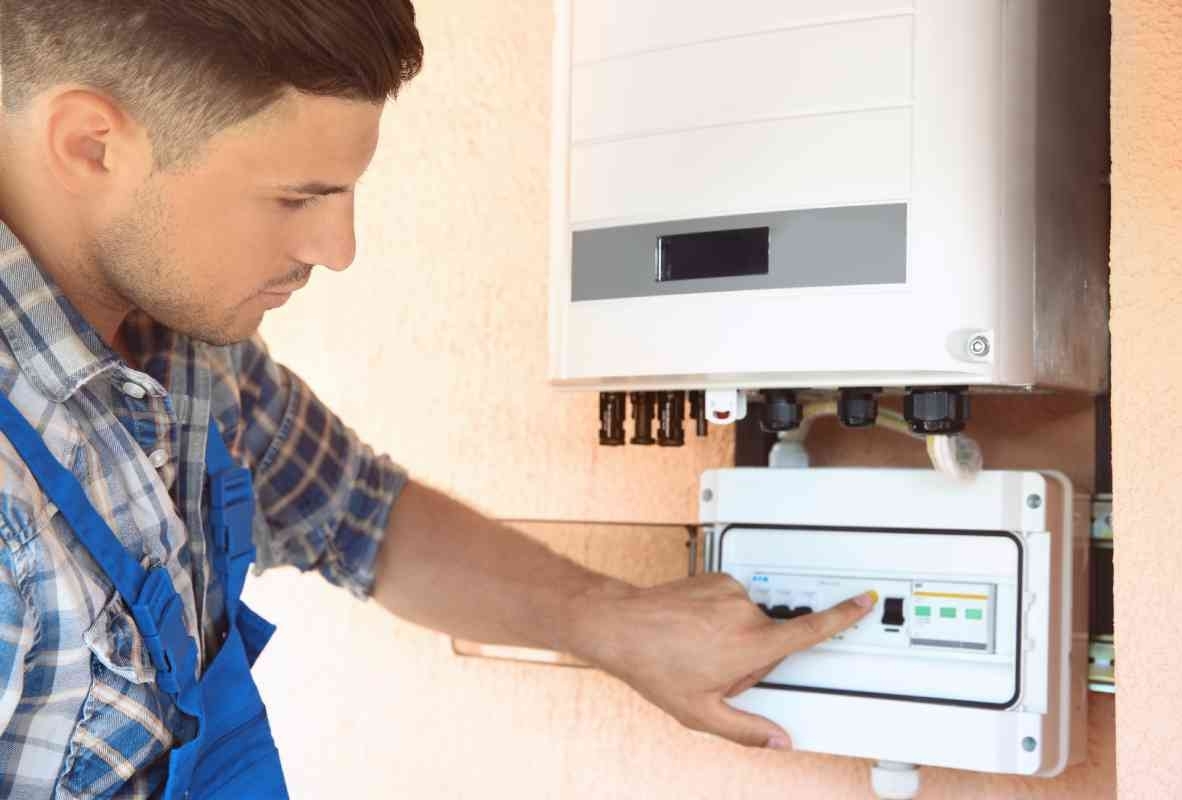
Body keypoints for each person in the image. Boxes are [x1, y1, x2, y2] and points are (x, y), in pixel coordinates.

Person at [0, 2, 877, 797]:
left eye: (344, 190)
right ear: (92, 145)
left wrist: (614, 625)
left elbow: (352, 509)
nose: (337, 247)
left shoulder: (184, 351)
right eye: (297, 197)